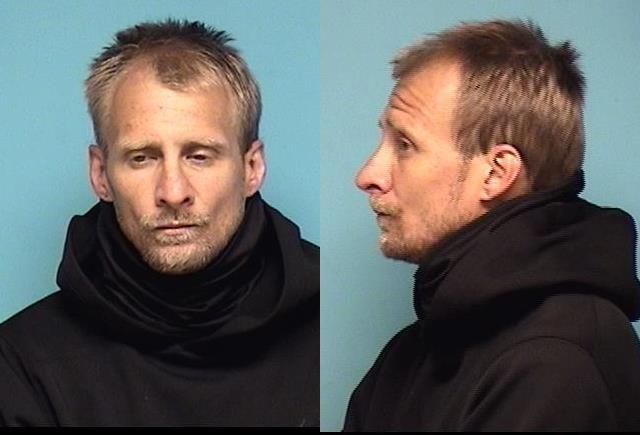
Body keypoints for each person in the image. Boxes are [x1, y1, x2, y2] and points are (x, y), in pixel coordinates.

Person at [0, 19, 318, 427]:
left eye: (199, 156)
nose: (172, 192)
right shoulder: (21, 363)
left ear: (252, 168)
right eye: (142, 158)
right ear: (100, 174)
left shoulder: (325, 325)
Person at [345, 19, 640, 431]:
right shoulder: (407, 355)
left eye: (406, 145)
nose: (367, 175)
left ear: (496, 173)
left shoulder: (557, 360)